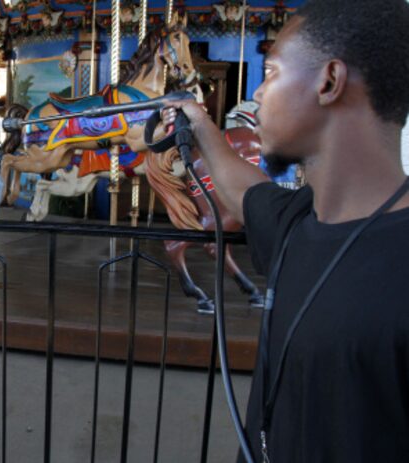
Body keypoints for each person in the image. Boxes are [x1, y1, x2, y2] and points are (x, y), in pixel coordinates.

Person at [161, 0, 409, 461]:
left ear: (328, 81)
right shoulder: (298, 222)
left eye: (271, 72)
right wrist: (198, 122)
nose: (257, 94)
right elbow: (242, 192)